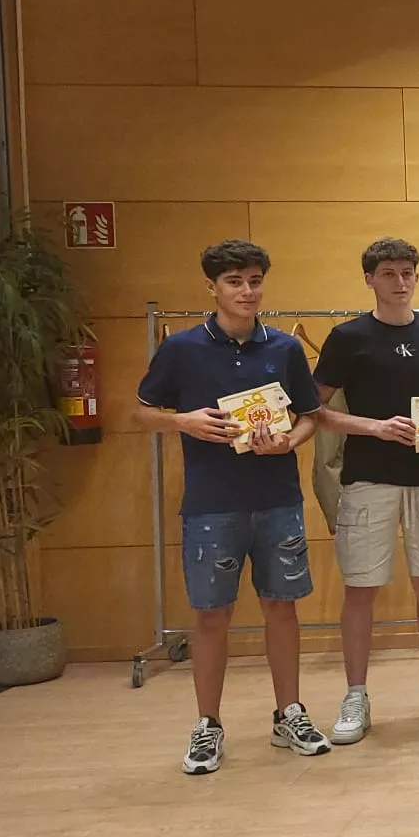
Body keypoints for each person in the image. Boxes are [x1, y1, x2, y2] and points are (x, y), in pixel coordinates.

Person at [138, 239, 331, 774]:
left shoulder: (285, 349)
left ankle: (288, 712)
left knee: (282, 606)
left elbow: (312, 415)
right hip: (211, 504)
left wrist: (292, 439)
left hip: (277, 500)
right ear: (212, 287)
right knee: (211, 615)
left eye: (254, 281)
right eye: (234, 282)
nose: (247, 291)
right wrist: (182, 421)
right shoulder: (180, 348)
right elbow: (140, 411)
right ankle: (208, 725)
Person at [311, 237, 419, 744]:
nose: (400, 282)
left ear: (417, 277)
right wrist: (374, 427)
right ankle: (355, 694)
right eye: (389, 273)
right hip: (367, 479)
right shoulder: (347, 337)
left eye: (407, 273)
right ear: (370, 279)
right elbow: (314, 411)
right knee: (360, 589)